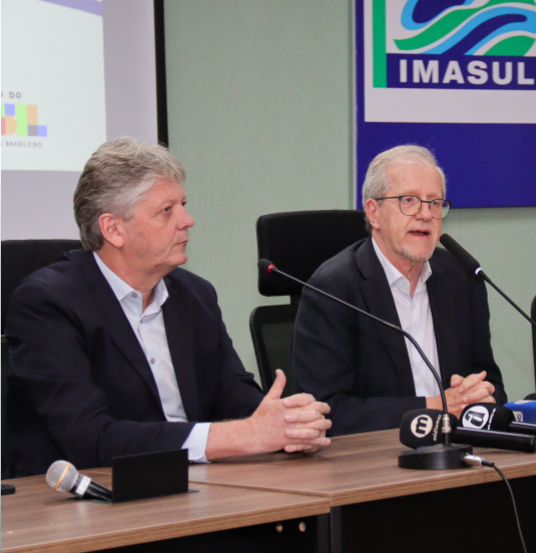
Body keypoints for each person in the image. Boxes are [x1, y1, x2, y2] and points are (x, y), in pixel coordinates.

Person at [5, 137, 331, 477]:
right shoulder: (46, 304)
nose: (187, 220)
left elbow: (235, 399)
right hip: (88, 503)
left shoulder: (194, 296)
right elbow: (90, 440)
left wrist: (289, 423)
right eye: (167, 210)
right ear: (113, 229)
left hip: (191, 487)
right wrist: (241, 436)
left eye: (184, 204)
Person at [293, 145, 506, 436]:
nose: (425, 214)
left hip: (456, 452)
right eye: (409, 201)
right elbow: (326, 411)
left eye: (434, 203)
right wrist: (434, 406)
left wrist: (477, 394)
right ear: (374, 213)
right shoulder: (332, 290)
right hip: (372, 465)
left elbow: (492, 384)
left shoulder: (462, 278)